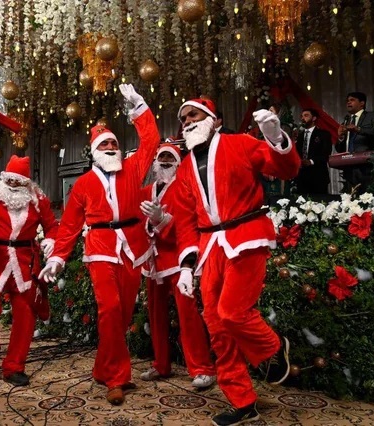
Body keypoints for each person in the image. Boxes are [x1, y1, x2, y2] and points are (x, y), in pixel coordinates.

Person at [172, 97, 300, 425]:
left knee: (232, 312)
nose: (187, 120)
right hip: (209, 245)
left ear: (213, 119)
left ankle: (273, 347)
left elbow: (286, 168)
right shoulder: (185, 166)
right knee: (217, 326)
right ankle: (243, 401)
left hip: (246, 236)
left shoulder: (241, 143)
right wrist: (186, 265)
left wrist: (276, 139)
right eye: (183, 117)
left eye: (194, 114)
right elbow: (185, 218)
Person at [40, 84, 159, 405]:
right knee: (109, 310)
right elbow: (68, 227)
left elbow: (151, 142)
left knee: (121, 316)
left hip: (133, 247)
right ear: (94, 150)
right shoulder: (83, 185)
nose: (109, 147)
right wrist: (57, 259)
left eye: (113, 143)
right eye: (103, 144)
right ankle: (117, 378)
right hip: (101, 249)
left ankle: (102, 367)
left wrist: (140, 107)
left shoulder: (133, 168)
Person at [0, 155, 58, 387]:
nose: (14, 186)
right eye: (10, 181)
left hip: (24, 262)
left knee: (25, 315)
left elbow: (52, 226)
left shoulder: (38, 200)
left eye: (19, 182)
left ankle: (14, 366)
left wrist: (51, 240)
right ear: (4, 179)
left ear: (27, 182)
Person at [139, 142, 216, 389]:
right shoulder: (146, 191)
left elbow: (185, 226)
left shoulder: (184, 189)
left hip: (177, 261)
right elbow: (138, 223)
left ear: (178, 163)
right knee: (155, 316)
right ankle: (161, 364)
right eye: (160, 156)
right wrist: (149, 225)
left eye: (169, 158)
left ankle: (202, 367)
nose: (163, 161)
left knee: (188, 316)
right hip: (152, 262)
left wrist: (161, 220)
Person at [336, 92, 374, 192]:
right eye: (347, 101)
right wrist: (340, 137)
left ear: (362, 103)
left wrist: (358, 129)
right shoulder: (346, 121)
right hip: (348, 167)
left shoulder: (372, 116)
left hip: (367, 166)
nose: (348, 103)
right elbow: (340, 149)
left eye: (352, 100)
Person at [295, 108, 332, 196]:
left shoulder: (323, 134)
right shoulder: (299, 136)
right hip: (302, 177)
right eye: (302, 116)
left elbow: (326, 153)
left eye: (306, 115)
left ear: (314, 118)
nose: (303, 118)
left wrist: (311, 161)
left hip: (318, 176)